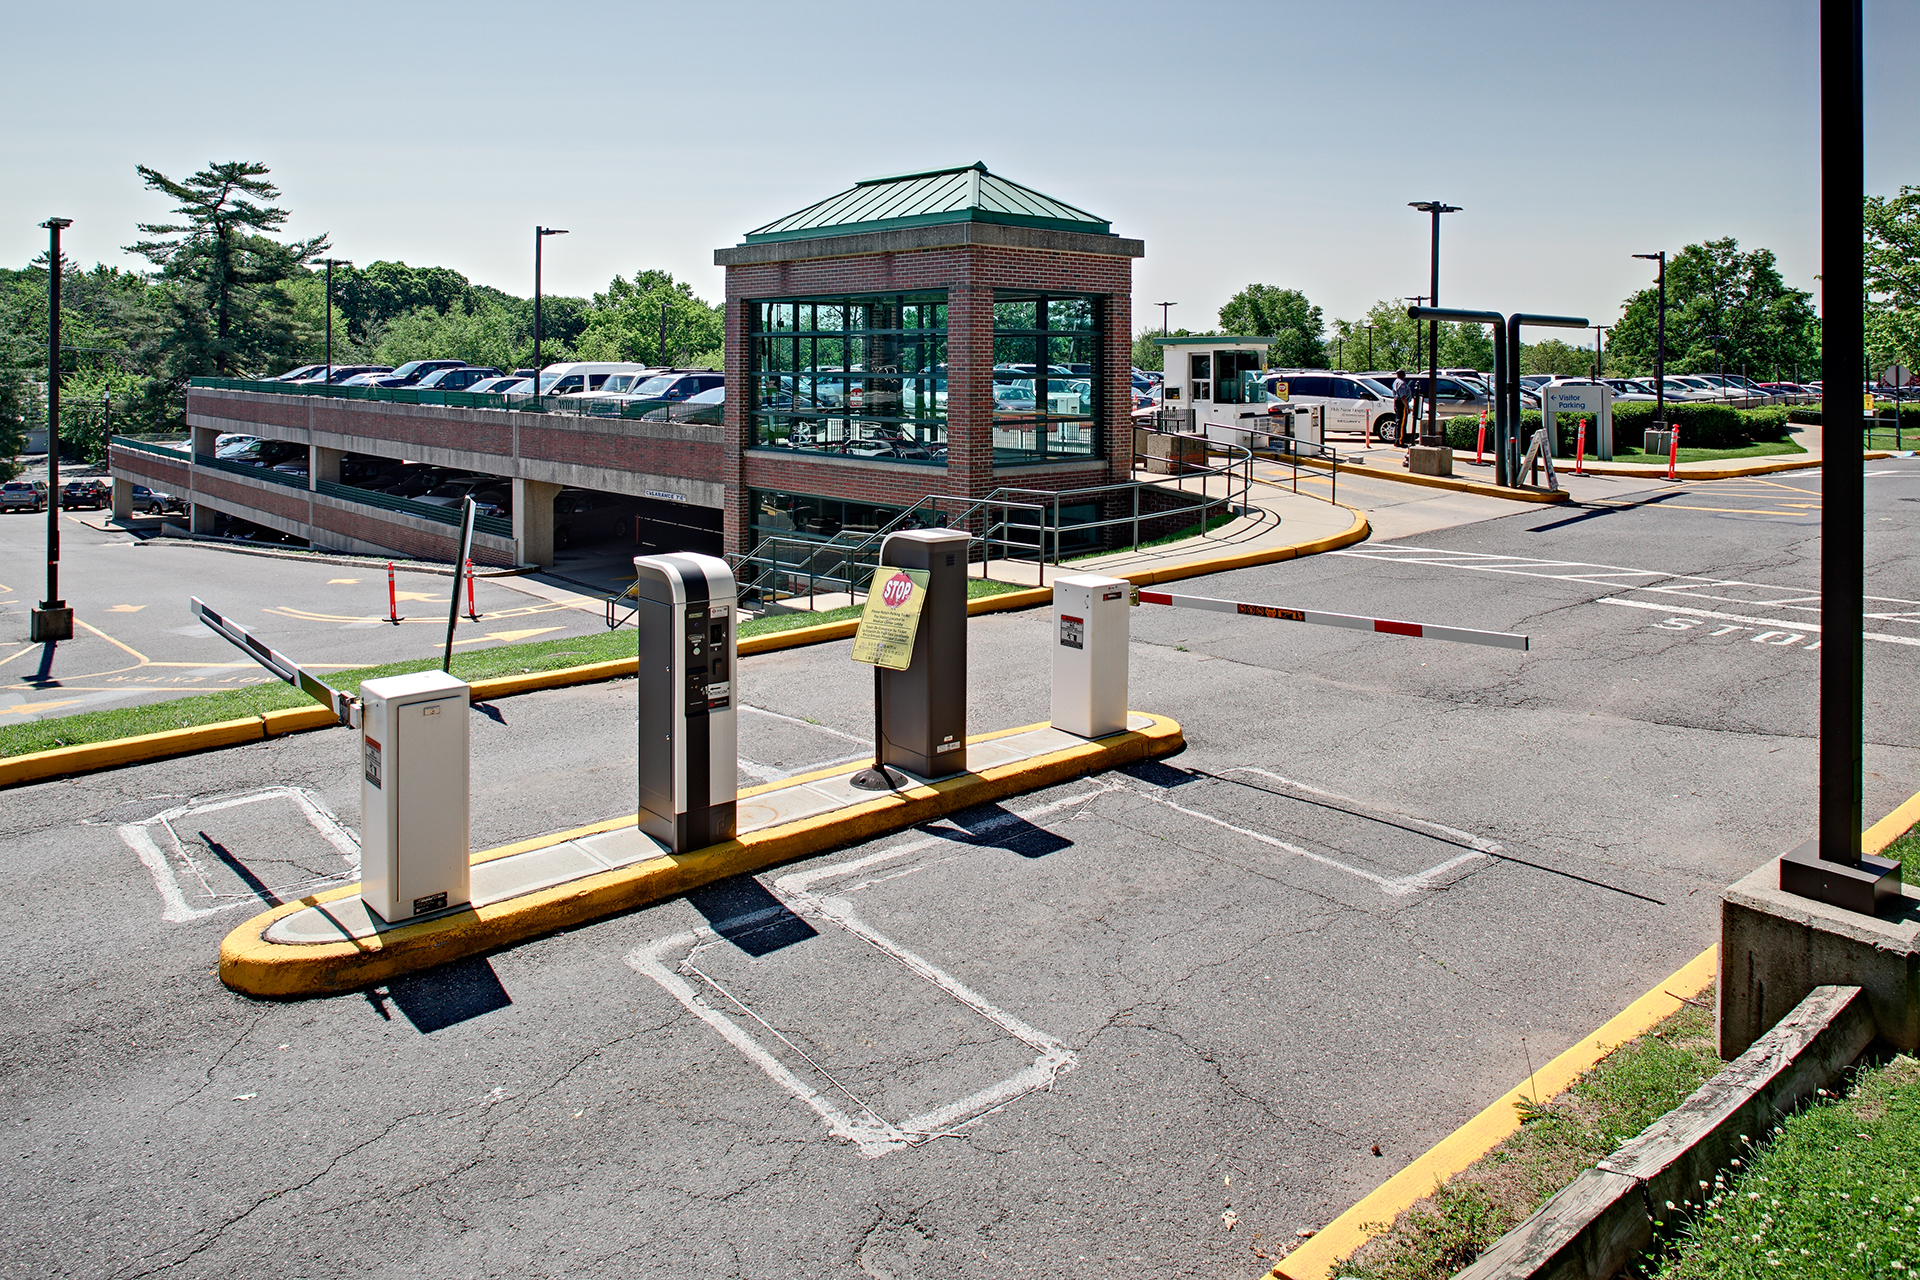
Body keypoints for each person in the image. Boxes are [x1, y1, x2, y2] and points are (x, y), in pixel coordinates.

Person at [1390, 370, 1410, 446]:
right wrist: (1406, 406)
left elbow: (1395, 395)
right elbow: (1403, 396)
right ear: (1402, 374)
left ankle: (1397, 440)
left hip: (1398, 403)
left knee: (1398, 422)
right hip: (1402, 404)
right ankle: (1400, 440)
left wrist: (1394, 405)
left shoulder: (1396, 382)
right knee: (1402, 423)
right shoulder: (1401, 383)